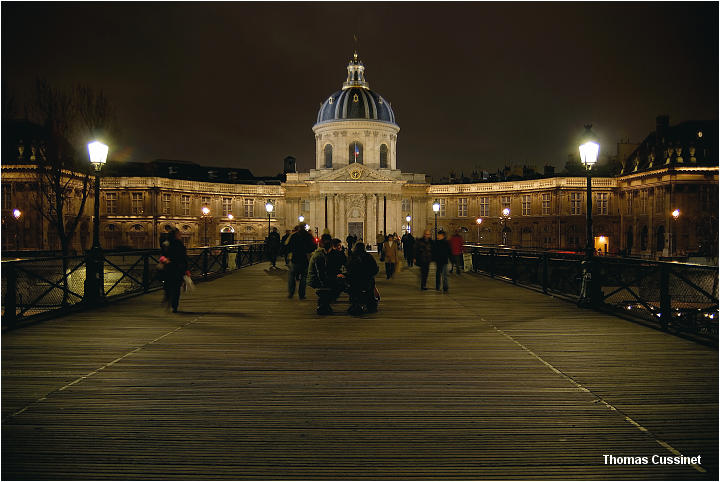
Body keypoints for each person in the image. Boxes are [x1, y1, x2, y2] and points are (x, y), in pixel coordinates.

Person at [308, 234, 343, 315]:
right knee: (341, 285)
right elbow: (321, 274)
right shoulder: (319, 256)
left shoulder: (322, 254)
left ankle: (325, 303)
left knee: (339, 282)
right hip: (316, 280)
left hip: (318, 278)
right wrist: (333, 279)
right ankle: (325, 303)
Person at [161, 228, 188, 313]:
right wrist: (186, 269)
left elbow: (162, 256)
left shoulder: (166, 243)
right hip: (177, 268)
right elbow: (184, 257)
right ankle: (174, 305)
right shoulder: (179, 244)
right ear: (176, 235)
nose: (180, 235)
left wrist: (165, 260)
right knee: (176, 288)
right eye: (179, 234)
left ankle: (168, 297)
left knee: (168, 285)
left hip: (169, 267)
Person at [347, 242, 379, 315]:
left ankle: (355, 304)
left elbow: (349, 269)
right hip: (367, 282)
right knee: (370, 287)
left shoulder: (352, 257)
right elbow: (374, 269)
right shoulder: (368, 257)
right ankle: (370, 305)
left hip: (354, 283)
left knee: (353, 290)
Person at [286, 223, 316, 299]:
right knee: (304, 277)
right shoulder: (308, 236)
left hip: (295, 258)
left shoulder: (294, 235)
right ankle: (301, 294)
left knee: (291, 276)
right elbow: (313, 247)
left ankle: (291, 292)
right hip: (305, 258)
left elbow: (287, 246)